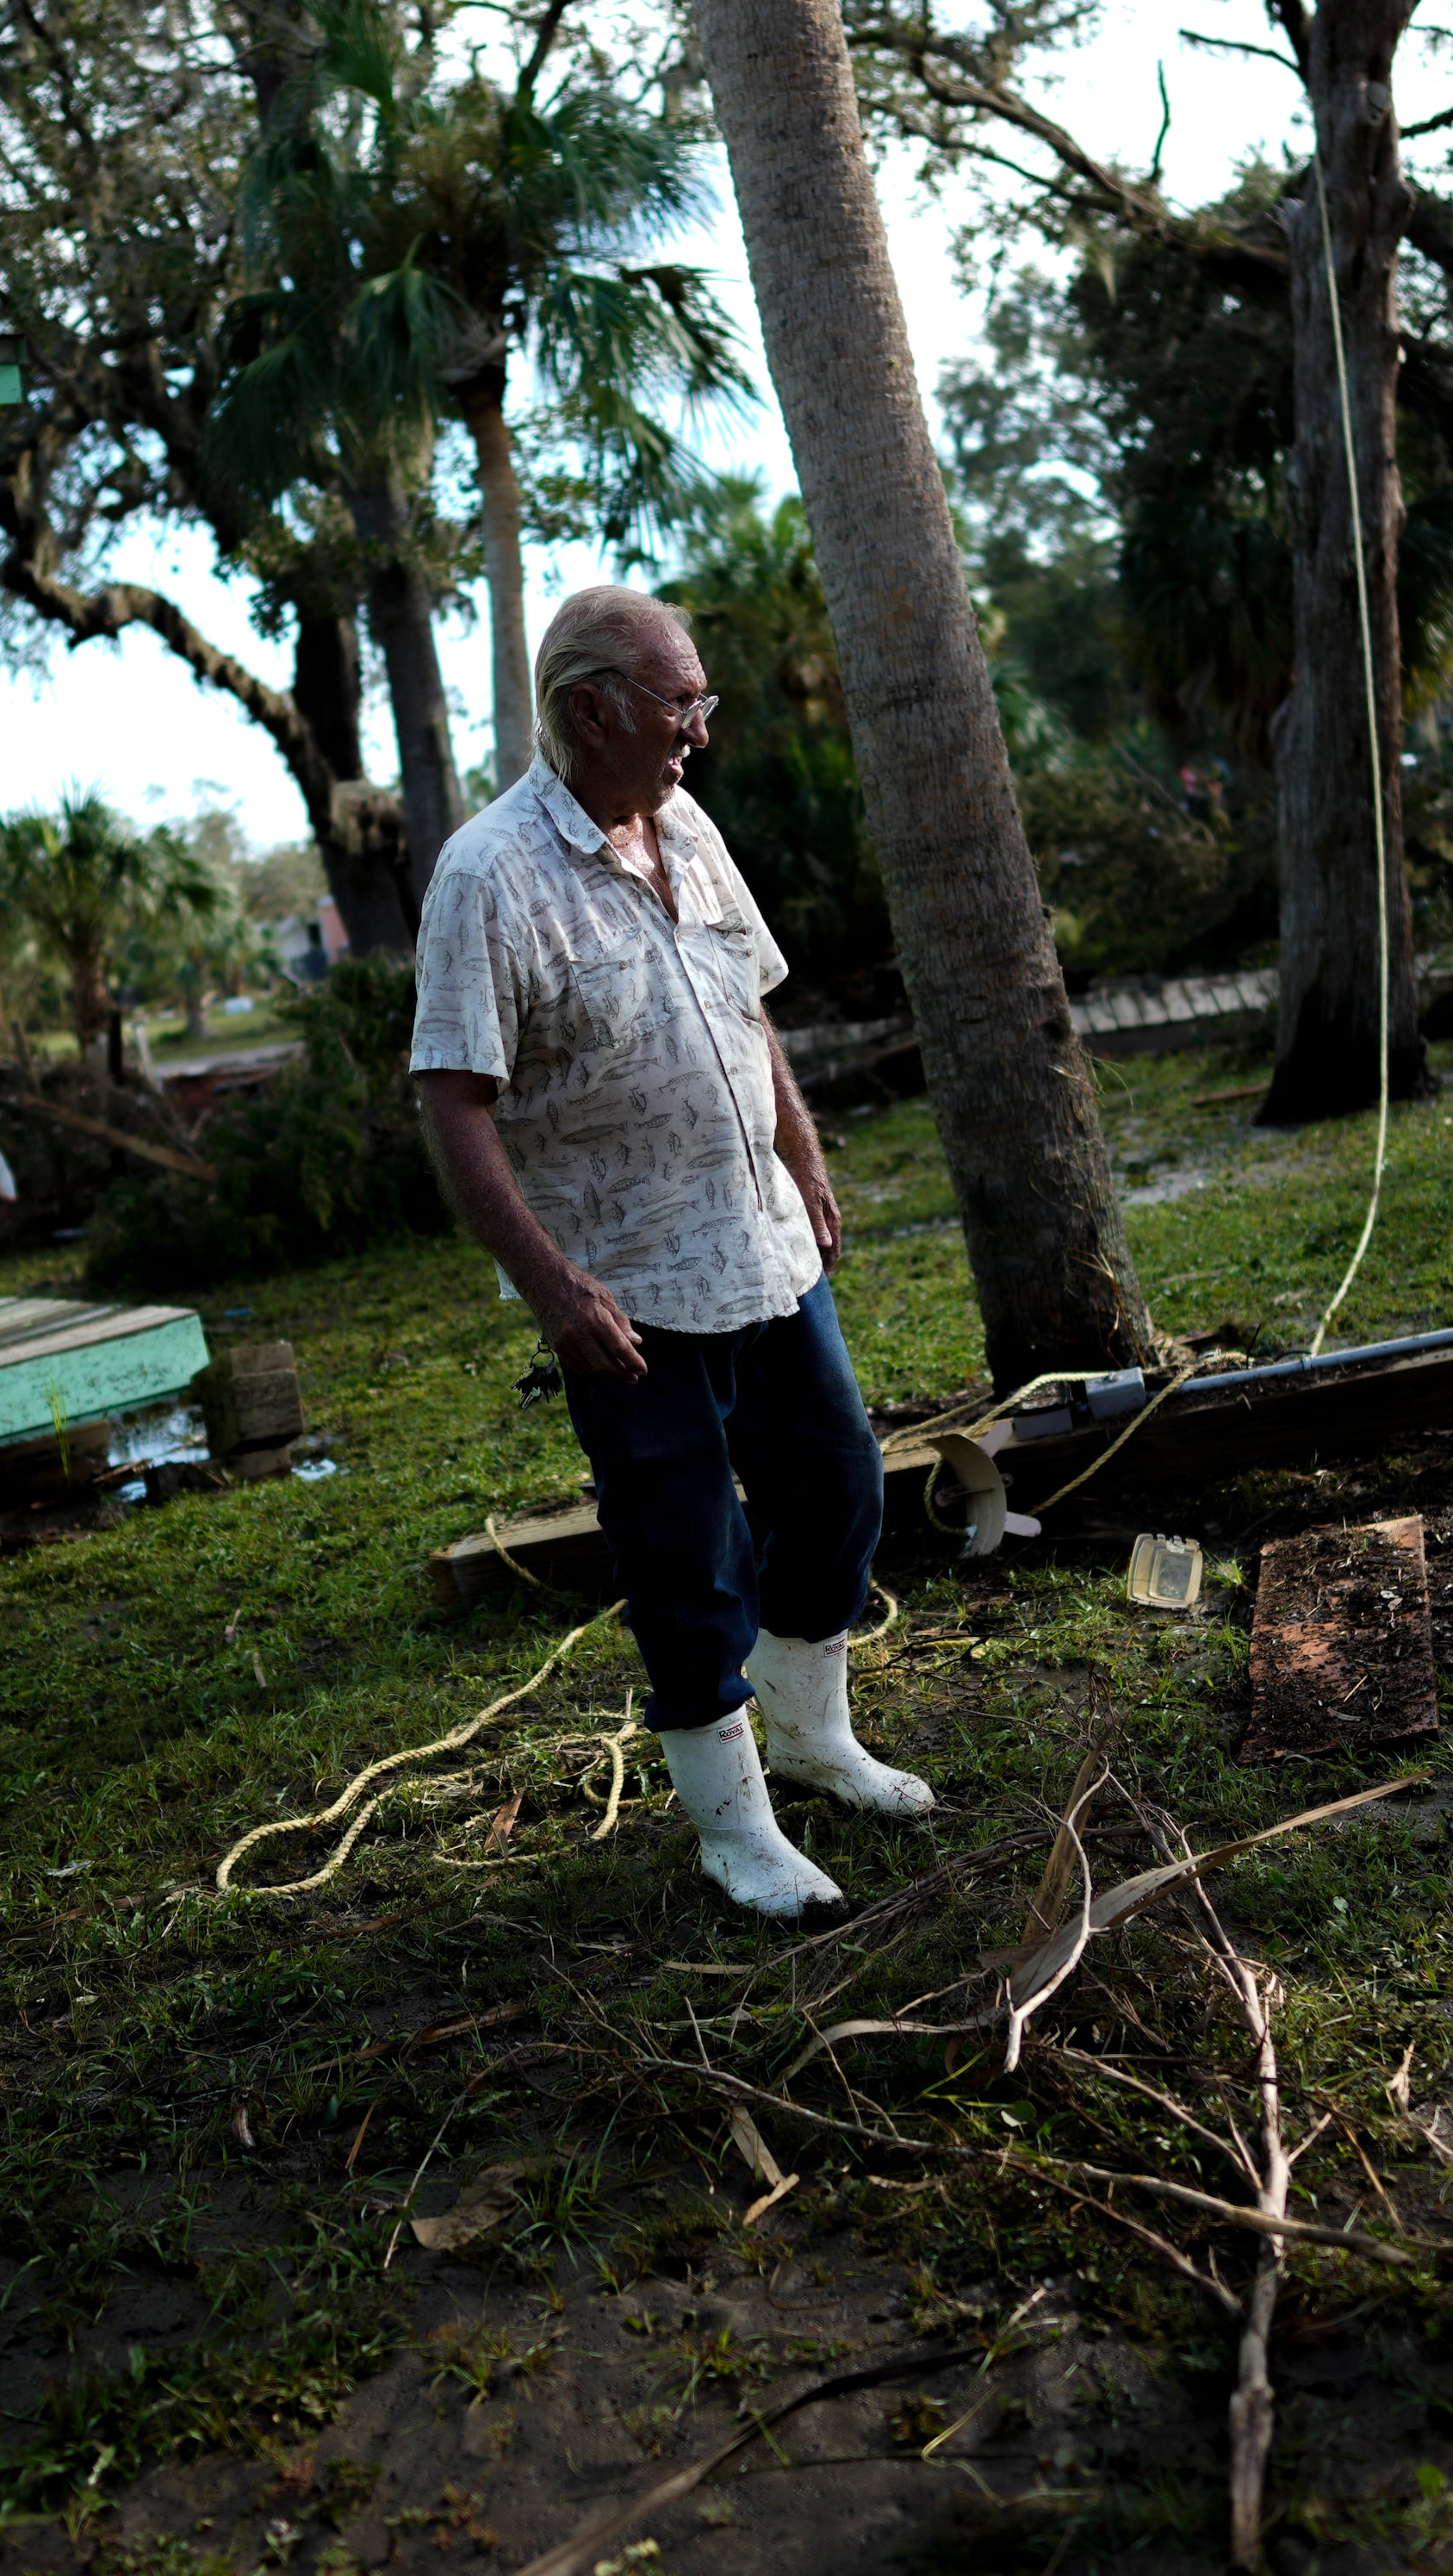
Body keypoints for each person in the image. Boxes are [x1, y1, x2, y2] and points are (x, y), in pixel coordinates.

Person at [410, 584, 930, 1919]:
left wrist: (802, 1160)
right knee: (688, 1554)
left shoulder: (686, 826)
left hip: (762, 1245)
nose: (700, 726)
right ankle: (735, 1828)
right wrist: (551, 1285)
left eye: (700, 698)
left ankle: (815, 1741)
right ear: (591, 710)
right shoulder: (489, 875)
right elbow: (454, 1101)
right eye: (677, 701)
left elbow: (749, 1005)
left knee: (838, 1493)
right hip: (629, 1288)